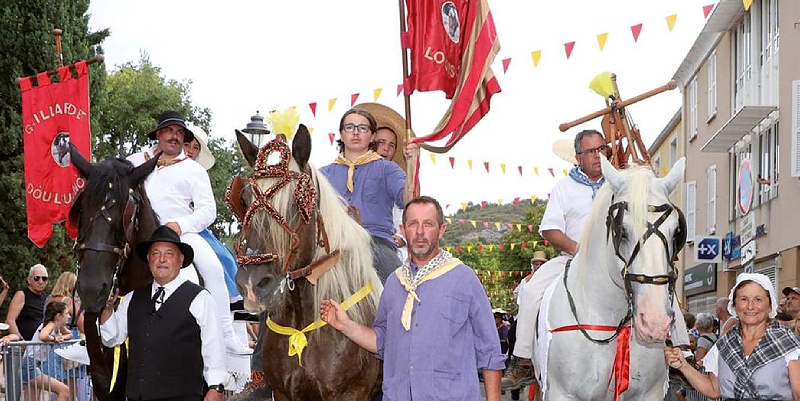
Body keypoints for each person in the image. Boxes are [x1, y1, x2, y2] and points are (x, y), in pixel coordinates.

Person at [502, 130, 690, 390]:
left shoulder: (623, 184)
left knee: (662, 289)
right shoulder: (564, 188)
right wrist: (578, 249)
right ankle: (522, 359)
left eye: (602, 149)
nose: (597, 155)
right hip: (572, 258)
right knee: (533, 290)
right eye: (590, 151)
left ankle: (682, 353)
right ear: (578, 156)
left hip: (619, 260)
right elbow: (550, 229)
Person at [320, 196, 505, 401]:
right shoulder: (394, 283)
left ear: (441, 230)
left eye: (428, 224)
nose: (420, 232)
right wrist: (345, 325)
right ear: (403, 229)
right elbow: (382, 342)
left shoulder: (463, 278)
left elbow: (490, 352)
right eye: (413, 224)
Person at [127, 110, 251, 355]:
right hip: (137, 234)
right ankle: (95, 331)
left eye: (179, 132)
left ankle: (226, 334)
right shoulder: (135, 161)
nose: (174, 136)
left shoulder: (194, 170)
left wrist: (180, 225)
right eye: (168, 131)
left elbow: (208, 211)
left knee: (213, 268)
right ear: (158, 134)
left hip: (181, 233)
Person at [100, 225, 228, 401]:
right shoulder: (131, 298)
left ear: (181, 260)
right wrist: (107, 309)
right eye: (156, 253)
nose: (162, 259)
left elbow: (214, 348)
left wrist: (216, 387)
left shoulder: (201, 299)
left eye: (169, 253)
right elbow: (112, 338)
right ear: (148, 259)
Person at [664, 273, 800, 400]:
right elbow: (713, 389)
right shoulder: (724, 345)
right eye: (743, 299)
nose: (750, 306)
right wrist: (683, 365)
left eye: (758, 299)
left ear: (770, 305)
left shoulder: (786, 343)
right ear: (734, 305)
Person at [319, 107, 406, 283]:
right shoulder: (322, 175)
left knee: (401, 286)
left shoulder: (388, 169)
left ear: (372, 136)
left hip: (376, 244)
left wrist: (412, 163)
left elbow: (409, 201)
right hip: (332, 246)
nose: (356, 132)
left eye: (363, 128)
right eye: (350, 127)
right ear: (341, 134)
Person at [182, 125, 242, 306]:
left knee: (224, 256)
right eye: (187, 145)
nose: (190, 150)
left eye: (195, 147)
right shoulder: (160, 167)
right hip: (162, 221)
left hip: (192, 226)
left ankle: (228, 298)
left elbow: (206, 208)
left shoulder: (198, 173)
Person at [355, 102, 413, 265]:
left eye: (391, 145)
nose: (386, 148)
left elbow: (409, 206)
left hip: (383, 247)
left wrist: (402, 238)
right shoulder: (346, 172)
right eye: (381, 142)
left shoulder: (395, 179)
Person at [21, 301, 72, 401]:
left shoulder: (58, 326)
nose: (69, 316)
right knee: (64, 390)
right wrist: (54, 338)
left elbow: (69, 334)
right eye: (66, 313)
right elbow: (43, 336)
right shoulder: (50, 324)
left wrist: (62, 337)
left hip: (35, 364)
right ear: (59, 316)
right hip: (30, 365)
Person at [6, 264, 48, 340]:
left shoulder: (46, 298)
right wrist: (20, 340)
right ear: (29, 280)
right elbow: (10, 320)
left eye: (44, 278)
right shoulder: (22, 295)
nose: (40, 281)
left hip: (40, 343)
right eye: (36, 278)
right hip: (24, 343)